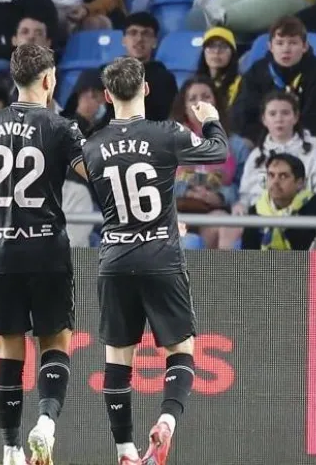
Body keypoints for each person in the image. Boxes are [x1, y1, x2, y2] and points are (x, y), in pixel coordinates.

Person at [81, 56, 229, 465]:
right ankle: (166, 420)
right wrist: (211, 119)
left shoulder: (91, 145)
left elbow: (84, 171)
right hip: (161, 253)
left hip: (115, 257)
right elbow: (218, 152)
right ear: (145, 89)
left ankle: (126, 452)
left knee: (117, 360)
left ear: (108, 96)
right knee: (180, 350)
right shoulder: (167, 133)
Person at [0, 43, 88, 465]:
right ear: (48, 80)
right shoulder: (61, 127)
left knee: (9, 357)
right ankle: (45, 423)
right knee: (54, 346)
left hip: (3, 251)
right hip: (47, 248)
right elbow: (95, 177)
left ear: (14, 79)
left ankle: (10, 449)